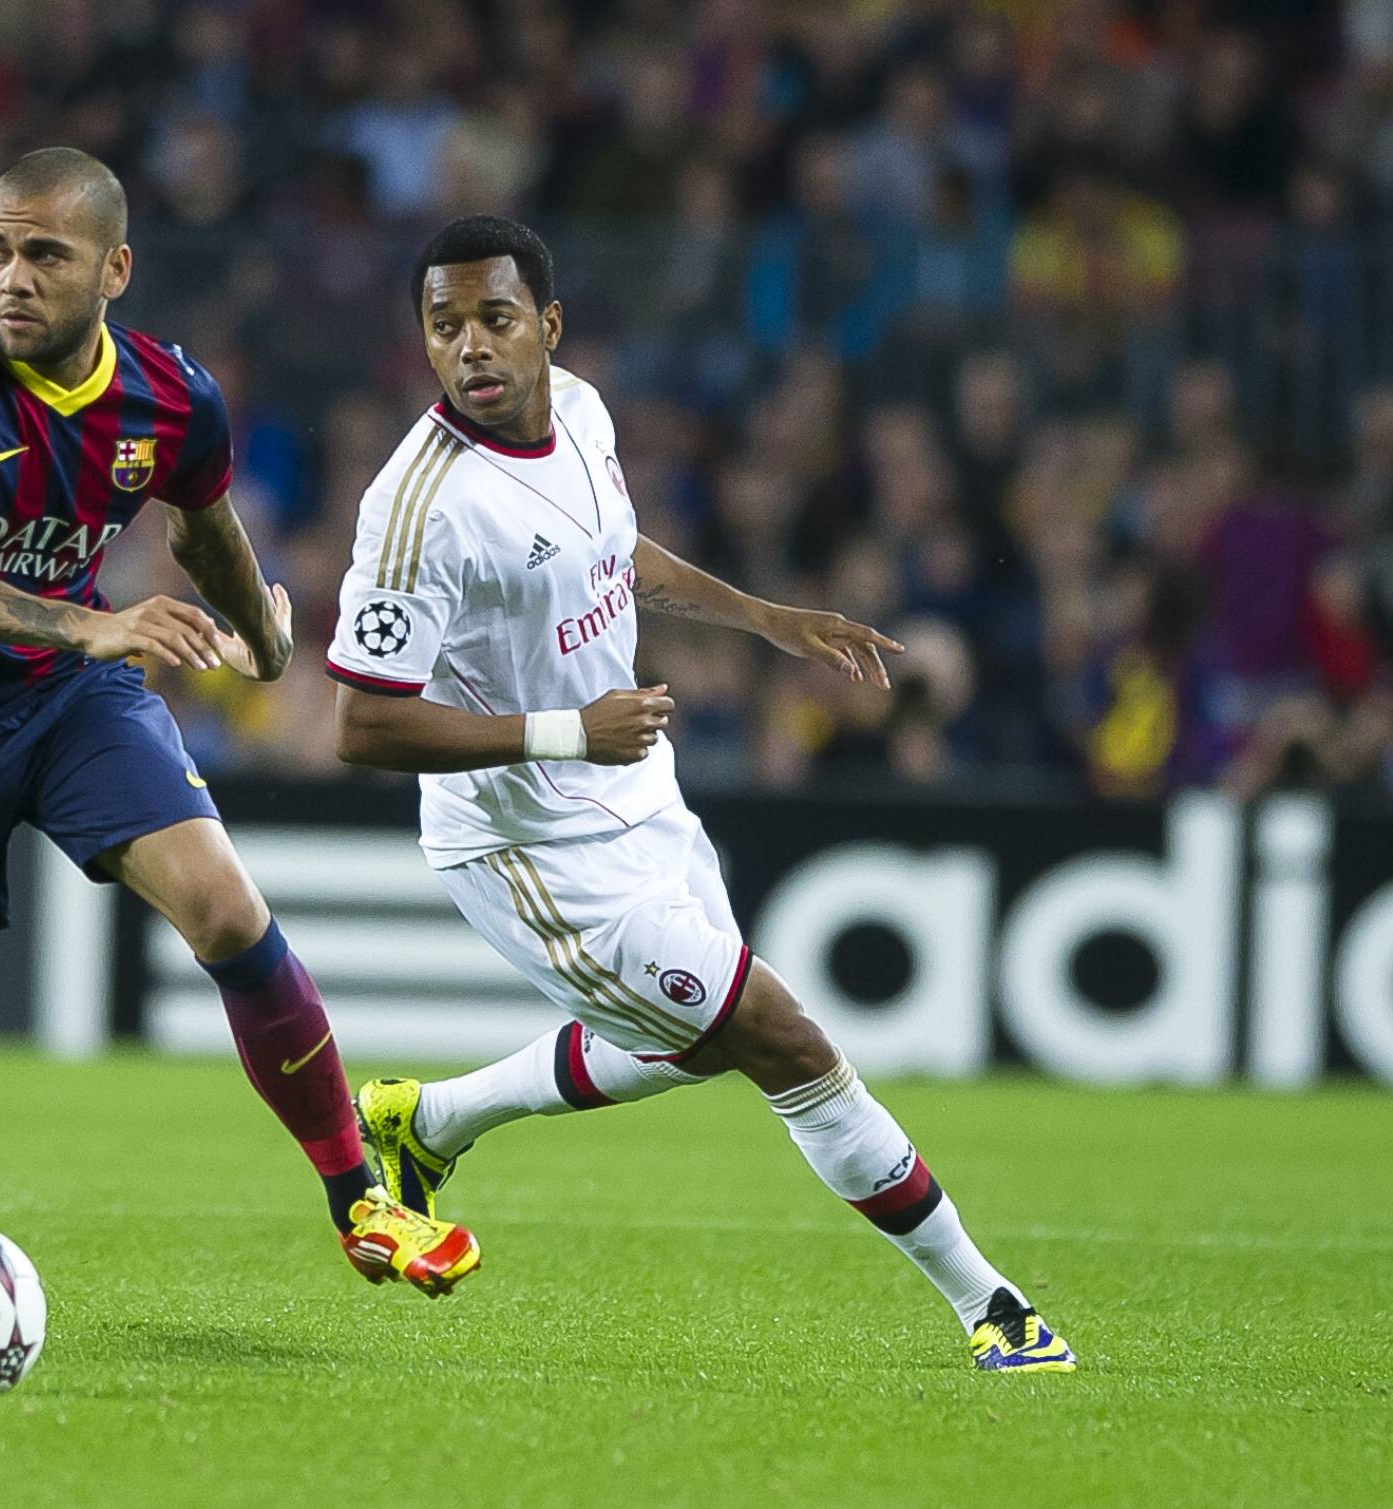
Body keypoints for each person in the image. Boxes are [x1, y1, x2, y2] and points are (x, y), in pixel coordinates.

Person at [328, 214, 1073, 1368]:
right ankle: (995, 1310)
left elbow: (616, 555)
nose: (470, 346)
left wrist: (769, 618)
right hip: (532, 850)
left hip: (639, 794)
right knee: (782, 1038)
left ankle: (429, 1123)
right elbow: (362, 724)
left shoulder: (580, 410)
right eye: (443, 326)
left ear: (549, 326)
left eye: (494, 318)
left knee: (705, 1041)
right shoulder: (417, 510)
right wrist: (570, 730)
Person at [0, 147, 477, 1296]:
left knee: (226, 908)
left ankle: (362, 1199)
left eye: (43, 254)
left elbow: (202, 526)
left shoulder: (171, 395)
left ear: (114, 268)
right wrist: (92, 625)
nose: (11, 278)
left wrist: (270, 640)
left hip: (69, 701)